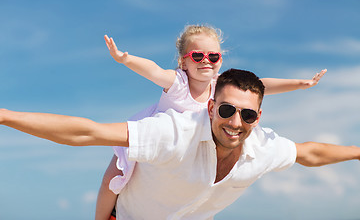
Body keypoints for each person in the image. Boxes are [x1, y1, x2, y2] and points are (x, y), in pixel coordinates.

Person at [0, 69, 358, 220]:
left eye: (247, 115)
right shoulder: (173, 133)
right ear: (210, 107)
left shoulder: (262, 146)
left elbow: (311, 153)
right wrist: (4, 116)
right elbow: (87, 132)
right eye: (228, 110)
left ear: (259, 117)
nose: (236, 122)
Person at [98, 24, 327, 220]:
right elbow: (153, 70)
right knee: (113, 178)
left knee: (206, 197)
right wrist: (124, 58)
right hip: (162, 142)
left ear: (220, 60)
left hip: (195, 151)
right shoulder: (178, 82)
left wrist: (299, 84)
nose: (206, 61)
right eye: (197, 56)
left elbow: (262, 84)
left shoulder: (220, 86)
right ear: (183, 62)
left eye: (213, 56)